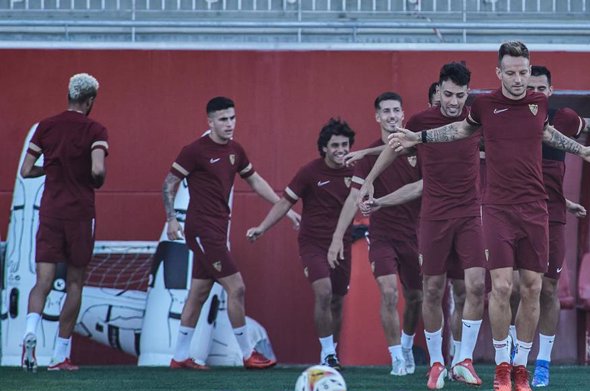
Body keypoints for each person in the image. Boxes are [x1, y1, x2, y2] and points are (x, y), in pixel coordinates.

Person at [388, 41, 590, 391]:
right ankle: (502, 364)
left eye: (524, 71)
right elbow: (460, 130)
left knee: (533, 289)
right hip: (497, 209)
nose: (519, 79)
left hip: (535, 208)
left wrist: (582, 149)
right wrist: (420, 137)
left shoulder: (538, 104)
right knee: (502, 288)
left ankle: (523, 367)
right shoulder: (484, 105)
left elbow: (547, 133)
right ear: (499, 73)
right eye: (511, 72)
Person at [358, 62, 487, 391]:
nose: (453, 101)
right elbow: (393, 148)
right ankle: (436, 363)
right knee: (432, 290)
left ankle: (463, 360)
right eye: (447, 94)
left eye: (460, 95)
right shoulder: (419, 122)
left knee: (474, 287)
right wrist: (370, 180)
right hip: (433, 217)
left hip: (470, 214)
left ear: (467, 93)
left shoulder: (477, 120)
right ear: (437, 92)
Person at [510, 65, 590, 388]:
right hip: (513, 213)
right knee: (514, 287)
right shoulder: (507, 119)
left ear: (550, 91)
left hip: (551, 214)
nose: (535, 93)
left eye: (541, 88)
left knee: (548, 288)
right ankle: (513, 358)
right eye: (530, 88)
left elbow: (587, 123)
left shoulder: (562, 118)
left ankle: (542, 363)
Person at [162, 96, 299, 370]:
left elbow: (255, 181)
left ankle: (179, 357)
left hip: (216, 231)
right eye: (223, 119)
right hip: (202, 231)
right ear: (210, 122)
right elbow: (169, 183)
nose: (229, 124)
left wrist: (285, 208)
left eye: (232, 118)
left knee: (198, 294)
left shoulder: (236, 150)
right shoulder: (195, 150)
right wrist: (171, 220)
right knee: (237, 288)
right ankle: (248, 355)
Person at [247, 118, 356, 370]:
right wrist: (262, 228)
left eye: (345, 145)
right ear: (324, 148)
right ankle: (327, 352)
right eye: (335, 145)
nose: (341, 150)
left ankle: (332, 354)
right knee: (324, 291)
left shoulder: (356, 171)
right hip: (313, 244)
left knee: (337, 300)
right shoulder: (310, 172)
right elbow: (285, 202)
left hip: (342, 245)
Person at [327, 92, 422, 376]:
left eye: (396, 110)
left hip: (416, 235)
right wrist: (336, 238)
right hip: (382, 236)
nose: (392, 116)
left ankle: (406, 344)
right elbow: (352, 198)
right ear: (377, 117)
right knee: (389, 294)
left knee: (416, 296)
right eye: (386, 111)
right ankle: (396, 358)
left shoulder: (417, 147)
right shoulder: (367, 159)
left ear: (403, 114)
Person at [20, 73, 108, 372]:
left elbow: (26, 170)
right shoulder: (96, 129)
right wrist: (94, 177)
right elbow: (98, 170)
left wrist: (52, 168)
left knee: (42, 281)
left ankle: (30, 331)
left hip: (50, 211)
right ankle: (60, 354)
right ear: (90, 100)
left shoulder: (46, 126)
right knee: (74, 283)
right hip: (80, 214)